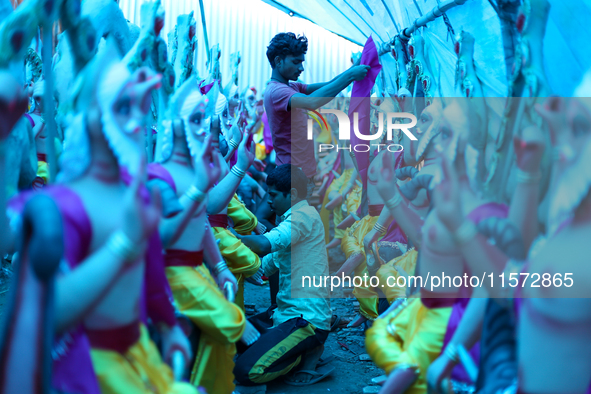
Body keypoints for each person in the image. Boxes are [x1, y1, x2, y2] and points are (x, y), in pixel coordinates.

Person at [233, 164, 333, 387]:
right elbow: (260, 270)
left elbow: (263, 245)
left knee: (247, 371)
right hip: (284, 313)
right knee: (232, 339)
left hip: (305, 319)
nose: (269, 201)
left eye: (274, 195)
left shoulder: (303, 217)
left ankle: (302, 356)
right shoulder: (290, 222)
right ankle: (295, 348)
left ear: (293, 195)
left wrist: (225, 235)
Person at [263, 32, 370, 197]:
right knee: (298, 221)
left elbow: (329, 85)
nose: (301, 68)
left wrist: (353, 68)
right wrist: (351, 76)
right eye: (296, 62)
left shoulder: (292, 87)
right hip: (291, 177)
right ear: (278, 61)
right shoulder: (277, 91)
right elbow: (312, 102)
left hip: (300, 174)